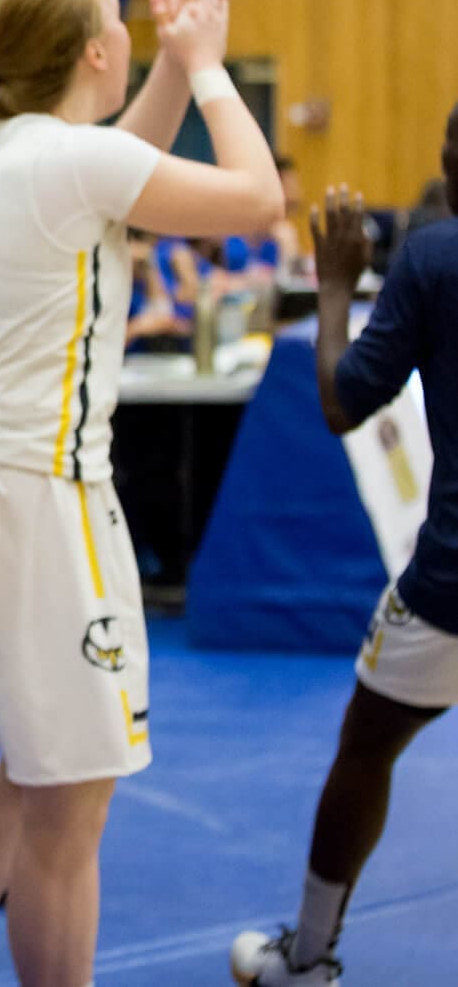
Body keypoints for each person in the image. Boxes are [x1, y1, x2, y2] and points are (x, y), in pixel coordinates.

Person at [0, 0, 283, 987]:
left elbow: (119, 173)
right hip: (40, 505)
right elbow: (256, 200)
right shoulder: (67, 163)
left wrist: (165, 61)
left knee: (30, 778)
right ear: (92, 50)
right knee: (73, 803)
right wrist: (206, 65)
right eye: (122, 20)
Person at [230, 109, 458, 986]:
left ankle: (310, 955)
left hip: (449, 579)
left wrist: (334, 285)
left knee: (367, 742)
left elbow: (341, 401)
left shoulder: (432, 259)